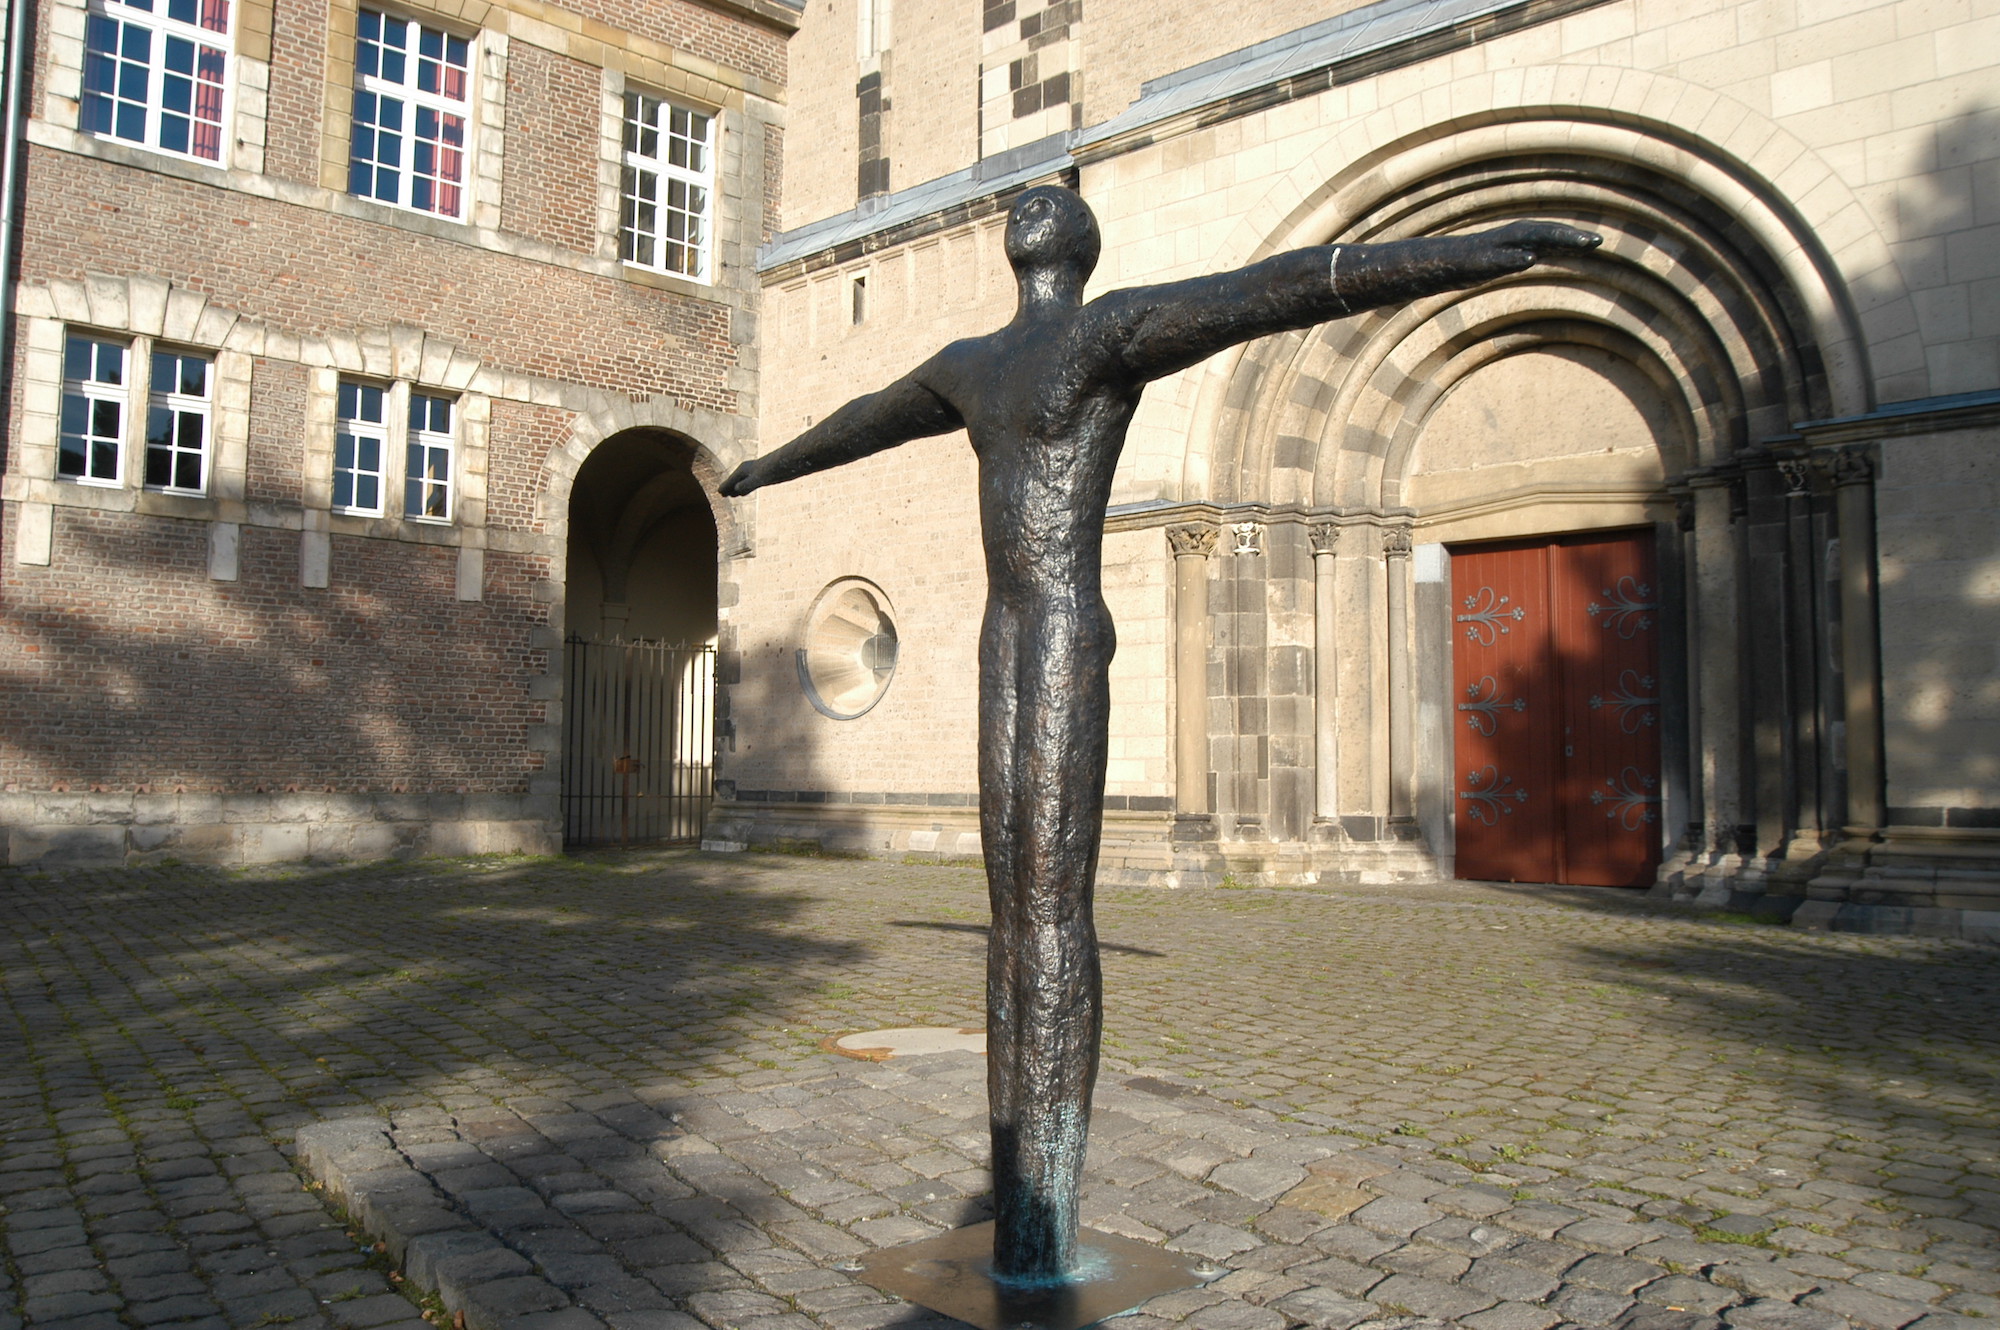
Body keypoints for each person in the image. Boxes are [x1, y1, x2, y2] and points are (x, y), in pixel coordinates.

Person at [722, 186, 1599, 1281]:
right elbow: (865, 418)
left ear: (1073, 246)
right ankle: (1023, 1213)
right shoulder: (969, 363)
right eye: (1029, 198)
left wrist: (1463, 252)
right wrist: (765, 467)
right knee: (1008, 917)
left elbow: (1272, 293)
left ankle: (1038, 1223)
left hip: (1057, 637)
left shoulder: (1106, 333)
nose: (1036, 201)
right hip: (1003, 642)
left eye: (1054, 201)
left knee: (1047, 912)